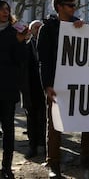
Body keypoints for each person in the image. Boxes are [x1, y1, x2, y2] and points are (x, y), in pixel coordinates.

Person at [37, 0, 89, 178]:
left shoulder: (81, 26)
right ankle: (53, 163)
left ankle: (88, 157)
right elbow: (44, 60)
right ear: (59, 6)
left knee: (88, 119)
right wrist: (47, 85)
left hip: (82, 82)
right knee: (55, 124)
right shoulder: (47, 29)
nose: (73, 8)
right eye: (69, 5)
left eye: (74, 5)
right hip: (57, 84)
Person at [0, 0, 29, 179]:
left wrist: (20, 43)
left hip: (7, 89)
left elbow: (21, 61)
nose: (5, 12)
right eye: (1, 9)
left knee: (9, 131)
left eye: (7, 9)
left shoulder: (15, 32)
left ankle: (6, 167)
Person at [23, 20, 46, 159]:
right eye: (36, 27)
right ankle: (32, 147)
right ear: (31, 31)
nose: (38, 29)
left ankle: (44, 145)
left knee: (44, 118)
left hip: (45, 87)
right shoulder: (24, 46)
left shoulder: (48, 44)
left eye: (40, 27)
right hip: (30, 88)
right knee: (31, 118)